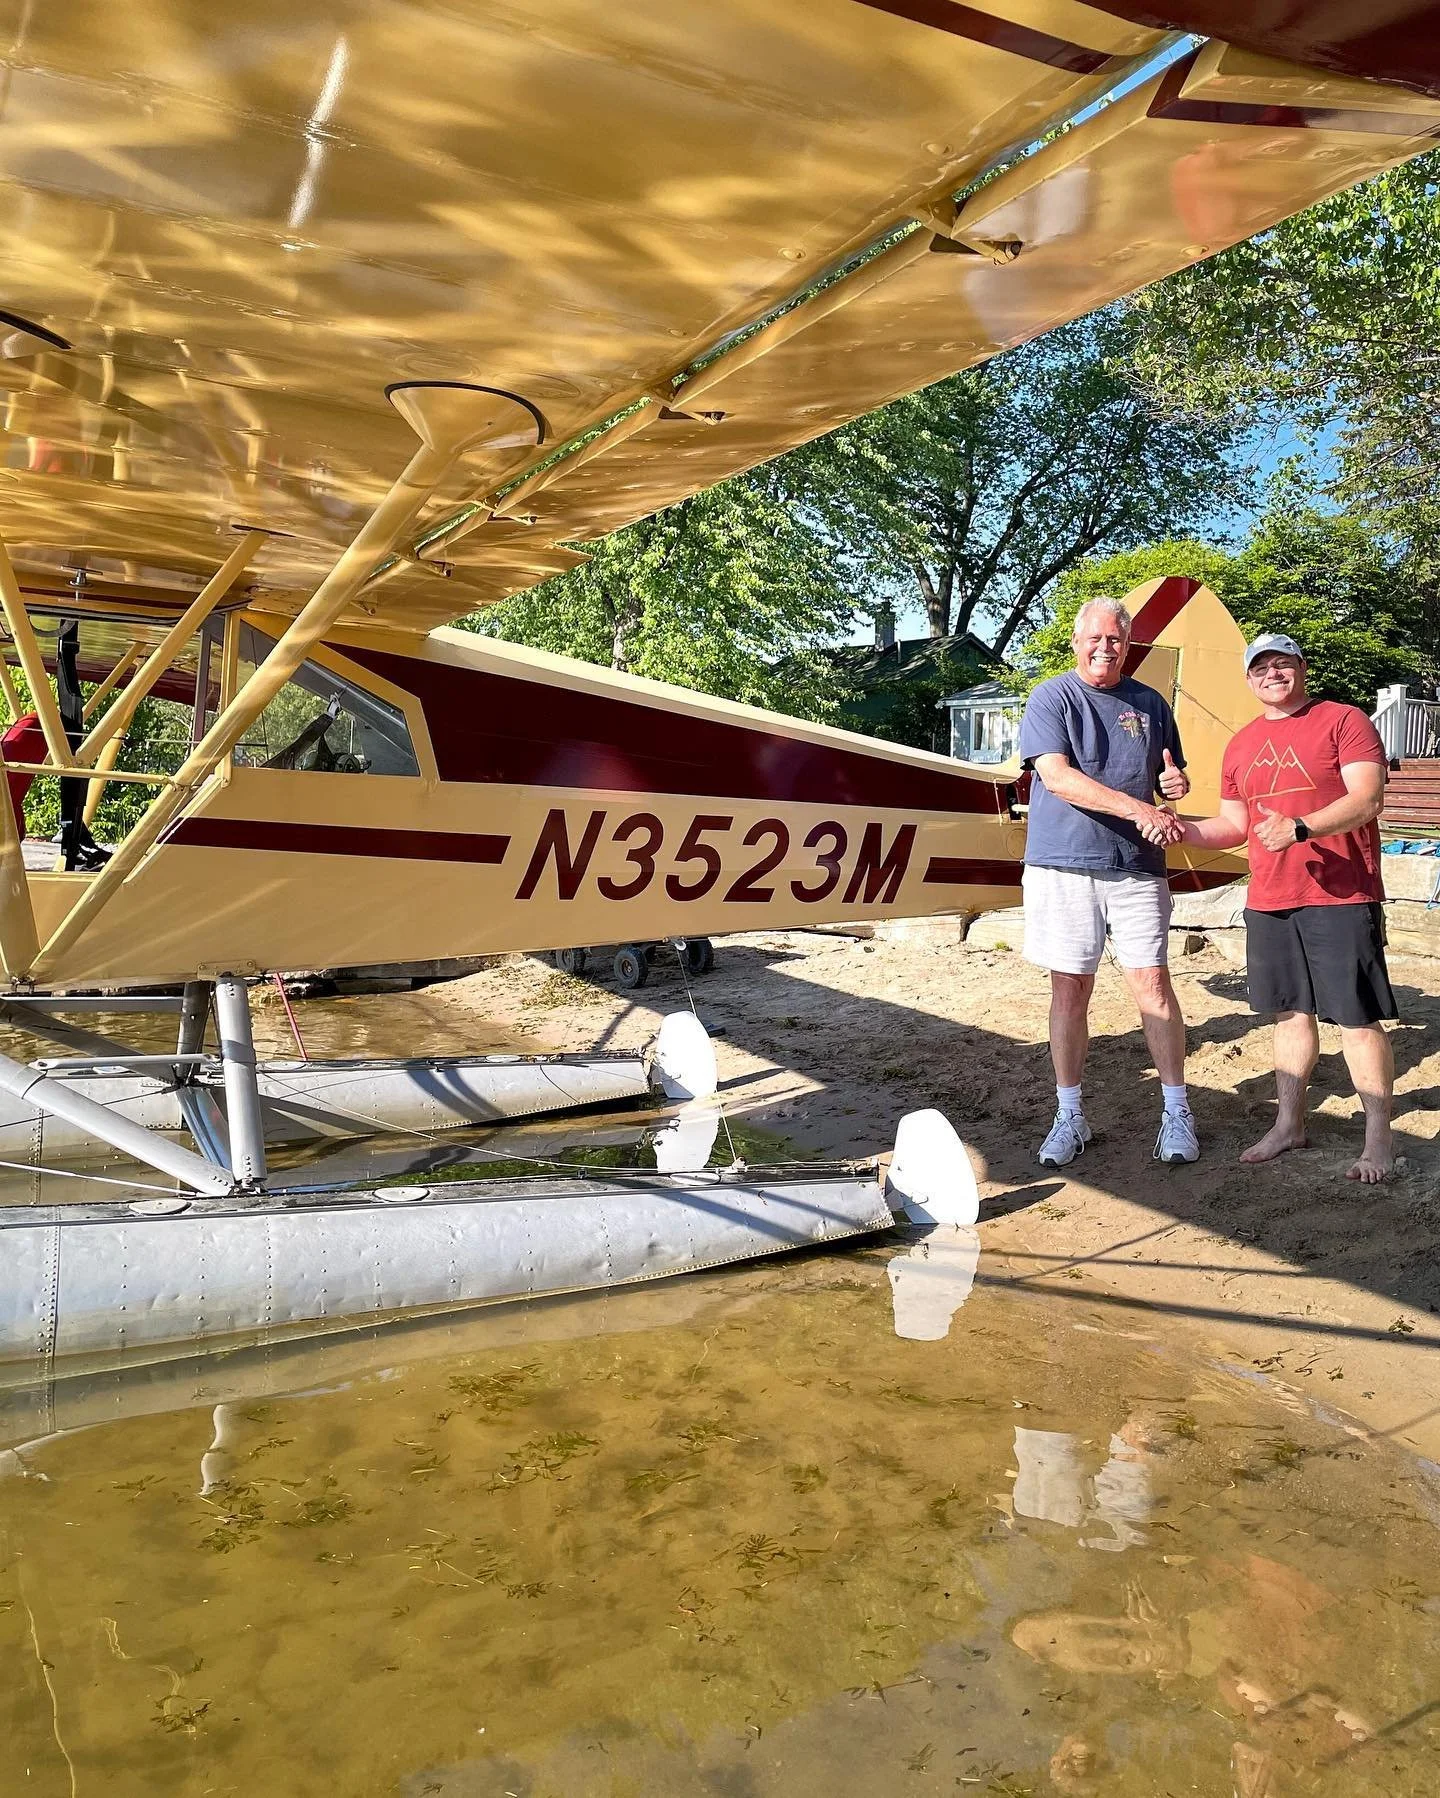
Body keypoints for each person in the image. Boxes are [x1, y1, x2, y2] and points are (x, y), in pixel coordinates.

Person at [1179, 633, 1396, 1182]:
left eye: (1282, 664)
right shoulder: (1241, 744)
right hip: (1270, 897)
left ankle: (1379, 1141)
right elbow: (1233, 826)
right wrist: (1173, 826)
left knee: (1355, 1015)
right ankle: (1290, 1124)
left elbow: (1367, 798)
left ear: (1301, 667)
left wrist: (1302, 827)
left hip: (1341, 893)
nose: (1272, 674)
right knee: (1288, 1013)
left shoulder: (1343, 720)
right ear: (1249, 681)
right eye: (1260, 668)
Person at [1019, 598, 1196, 1169]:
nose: (1105, 647)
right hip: (1063, 864)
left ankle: (1176, 1110)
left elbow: (1170, 778)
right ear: (1076, 642)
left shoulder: (1150, 703)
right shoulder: (1050, 697)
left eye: (1116, 639)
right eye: (1094, 638)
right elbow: (1058, 777)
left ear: (1128, 644)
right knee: (1069, 989)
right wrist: (1139, 810)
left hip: (1136, 866)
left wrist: (1173, 785)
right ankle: (1069, 1113)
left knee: (1154, 985)